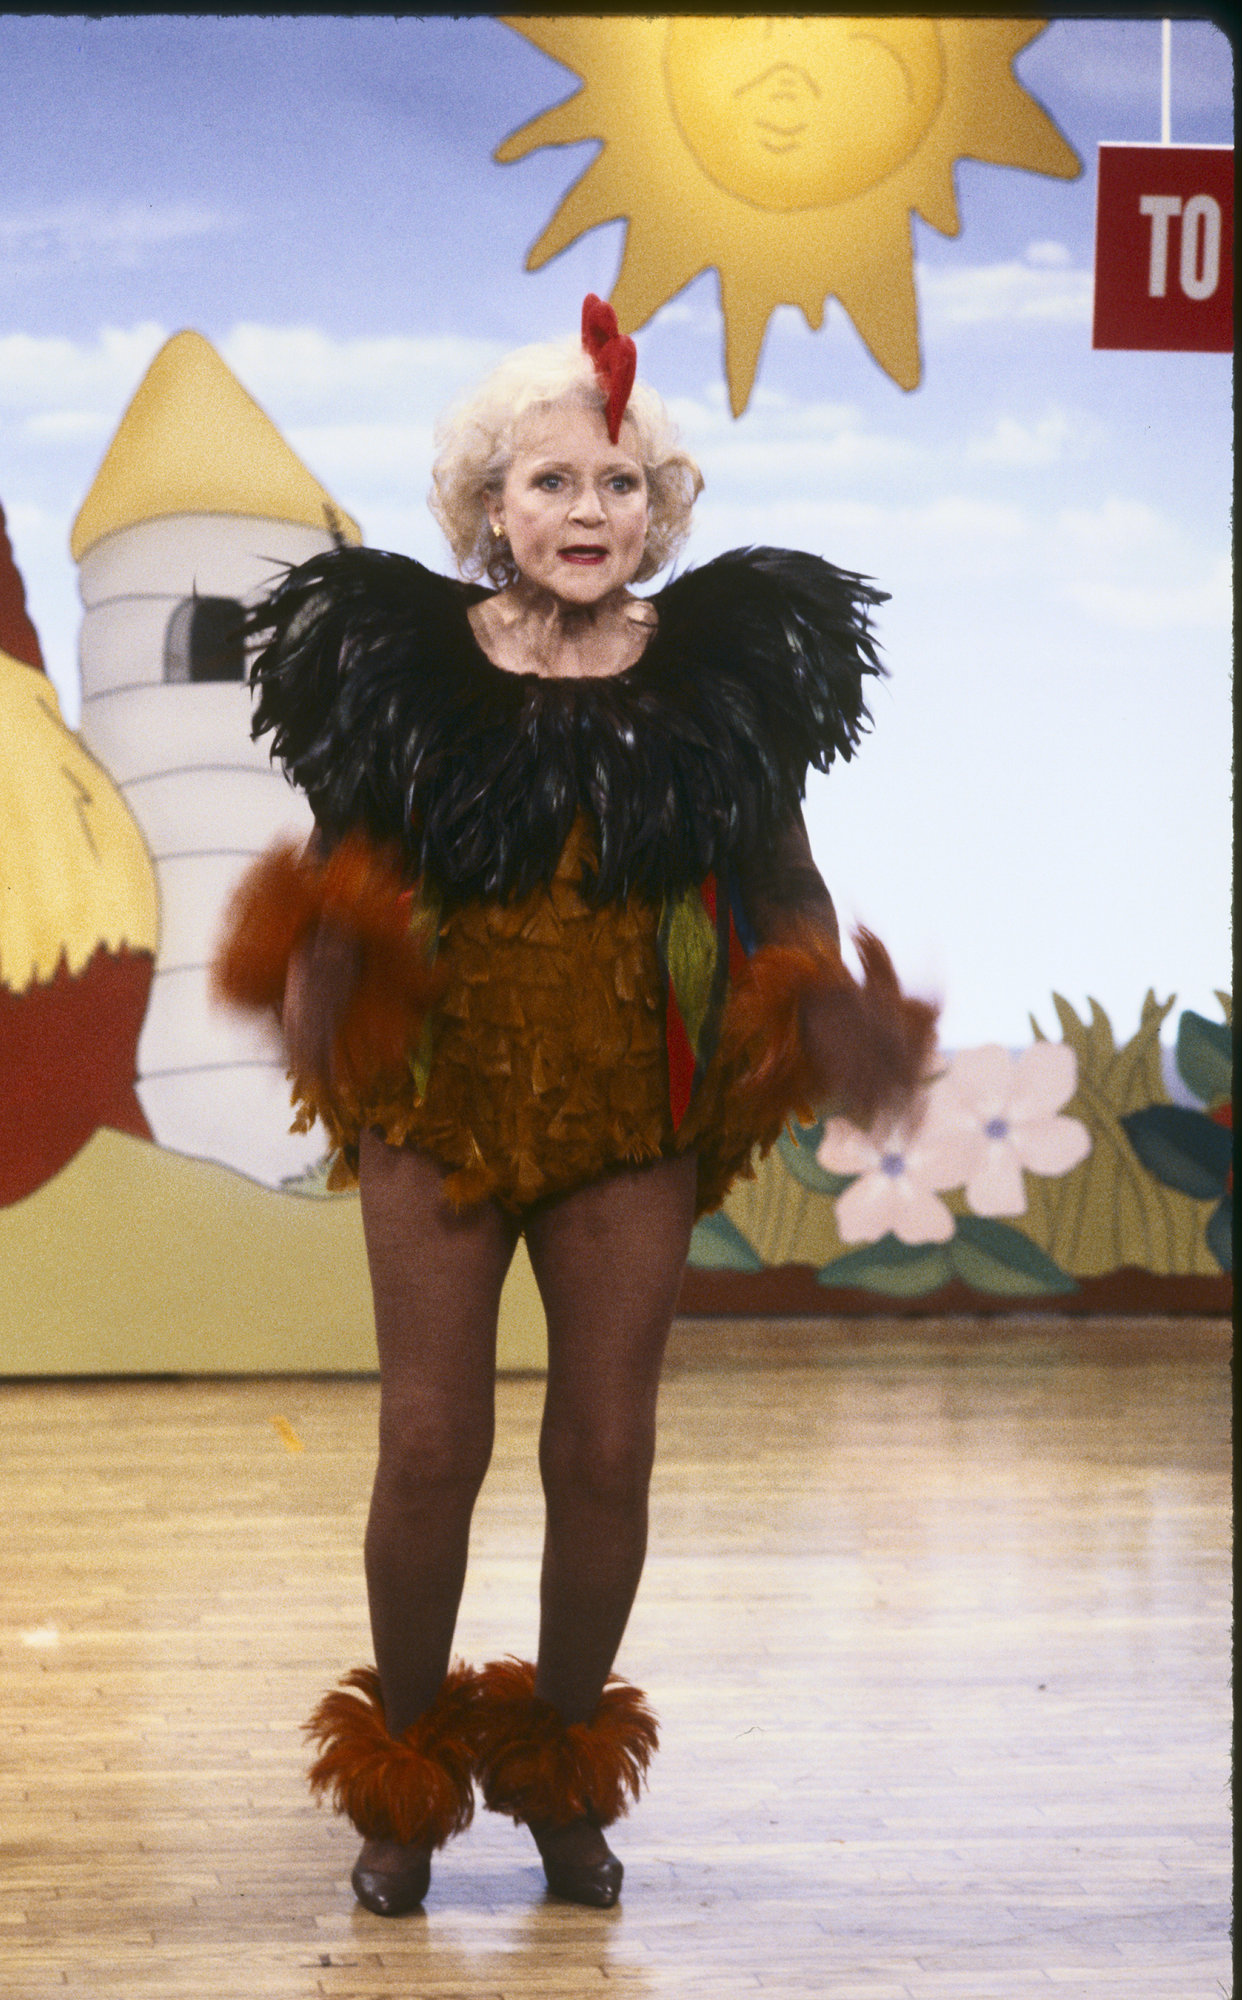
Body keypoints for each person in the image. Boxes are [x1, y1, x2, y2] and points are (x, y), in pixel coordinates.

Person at [213, 298, 937, 1917]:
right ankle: (403, 1783)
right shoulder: (403, 669)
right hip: (442, 1102)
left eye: (621, 484)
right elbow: (342, 864)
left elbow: (784, 881)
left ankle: (558, 1773)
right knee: (430, 1443)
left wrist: (822, 995)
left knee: (607, 1452)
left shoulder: (717, 679)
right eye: (553, 482)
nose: (589, 511)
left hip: (631, 1113)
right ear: (491, 506)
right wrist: (318, 961)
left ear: (659, 512)